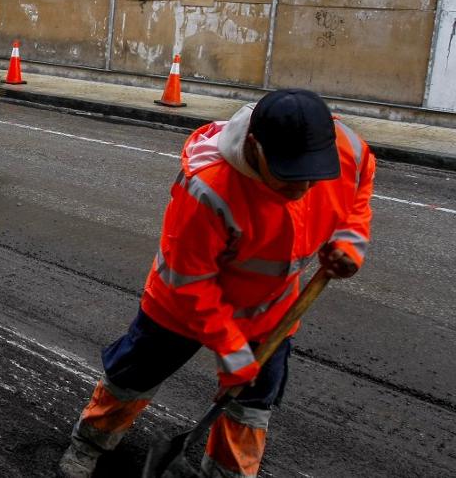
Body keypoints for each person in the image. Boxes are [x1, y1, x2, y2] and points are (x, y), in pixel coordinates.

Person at [58, 88, 374, 478]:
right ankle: (90, 443)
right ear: (256, 147)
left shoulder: (345, 148)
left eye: (313, 174)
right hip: (180, 307)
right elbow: (190, 281)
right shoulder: (208, 187)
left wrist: (349, 241)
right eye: (288, 174)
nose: (304, 188)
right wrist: (230, 349)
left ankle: (226, 473)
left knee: (251, 409)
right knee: (133, 377)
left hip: (270, 312)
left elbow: (360, 185)